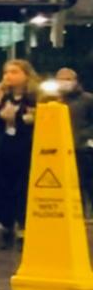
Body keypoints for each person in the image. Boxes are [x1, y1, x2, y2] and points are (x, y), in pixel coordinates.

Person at [0, 60, 40, 251]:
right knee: (1, 189)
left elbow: (39, 121)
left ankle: (24, 228)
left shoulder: (35, 98)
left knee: (23, 189)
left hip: (26, 149)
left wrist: (18, 119)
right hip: (3, 149)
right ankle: (6, 225)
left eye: (14, 72)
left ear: (26, 75)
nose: (8, 76)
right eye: (6, 72)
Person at [52, 67, 93, 215]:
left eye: (68, 79)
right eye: (60, 79)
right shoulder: (52, 101)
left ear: (76, 81)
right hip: (58, 151)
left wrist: (85, 135)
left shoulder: (87, 100)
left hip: (81, 149)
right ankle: (76, 213)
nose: (64, 83)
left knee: (86, 182)